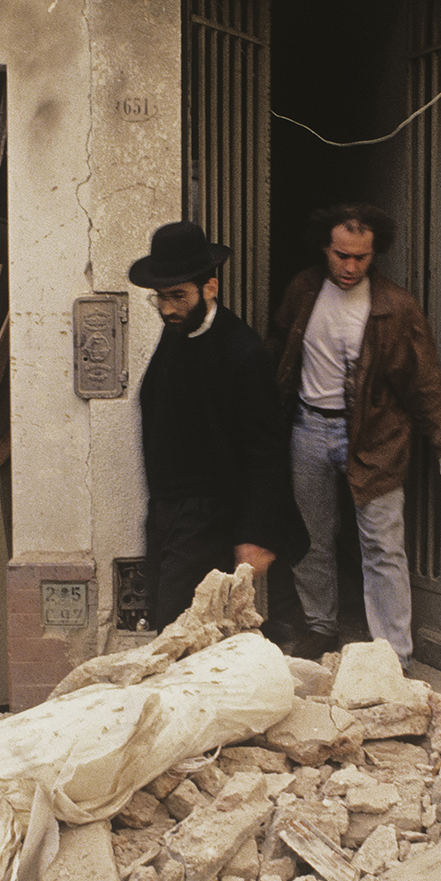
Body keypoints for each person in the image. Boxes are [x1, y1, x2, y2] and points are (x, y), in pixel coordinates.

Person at [269, 203, 441, 665]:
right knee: (311, 536)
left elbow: (426, 382)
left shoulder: (396, 307)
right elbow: (278, 351)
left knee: (382, 544)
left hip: (376, 437)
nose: (351, 266)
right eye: (341, 255)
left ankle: (392, 653)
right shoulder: (303, 290)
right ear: (325, 248)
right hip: (308, 427)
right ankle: (320, 624)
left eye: (361, 257)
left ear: (375, 253)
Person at [130, 221, 306, 629]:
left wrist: (256, 535)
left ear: (210, 288)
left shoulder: (243, 352)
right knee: (168, 624)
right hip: (167, 512)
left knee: (184, 629)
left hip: (211, 513)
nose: (167, 308)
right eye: (160, 297)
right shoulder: (177, 330)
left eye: (178, 296)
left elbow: (267, 451)